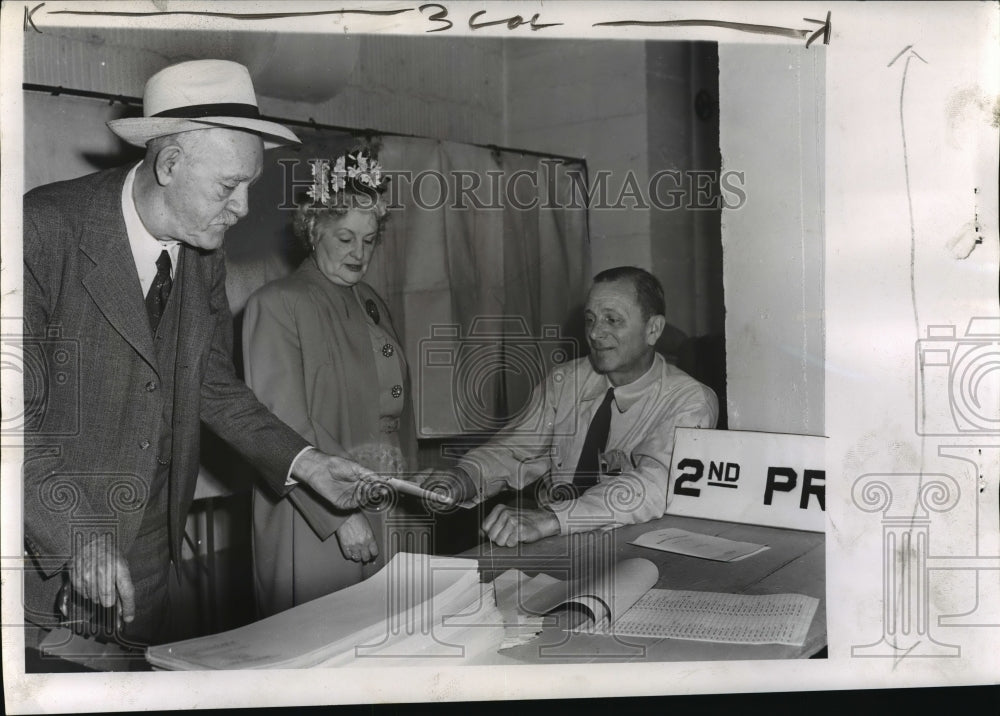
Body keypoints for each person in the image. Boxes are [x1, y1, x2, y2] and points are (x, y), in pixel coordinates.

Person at [21, 60, 382, 648]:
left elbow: (211, 386)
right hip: (53, 566)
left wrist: (309, 463)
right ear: (168, 165)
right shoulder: (41, 231)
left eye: (249, 186)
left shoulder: (202, 253)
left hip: (150, 566)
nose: (242, 207)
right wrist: (79, 535)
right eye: (227, 187)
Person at [417, 266, 719, 546]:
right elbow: (514, 449)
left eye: (612, 319)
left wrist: (552, 518)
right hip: (557, 540)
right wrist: (466, 476)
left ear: (653, 329)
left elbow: (654, 486)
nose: (595, 333)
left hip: (635, 547)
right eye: (590, 319)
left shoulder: (689, 401)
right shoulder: (565, 381)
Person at [242, 149, 418, 616]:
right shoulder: (277, 304)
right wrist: (339, 517)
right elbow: (280, 428)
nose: (358, 253)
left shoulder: (371, 301)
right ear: (313, 230)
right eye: (344, 237)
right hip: (316, 515)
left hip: (383, 502)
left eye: (369, 239)